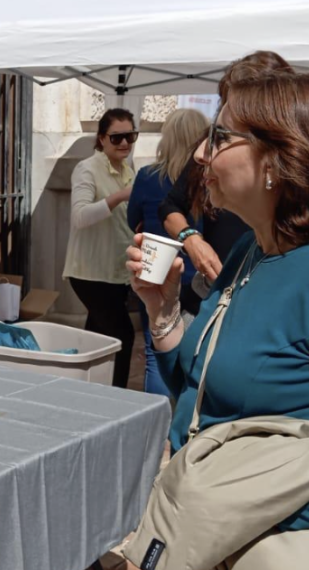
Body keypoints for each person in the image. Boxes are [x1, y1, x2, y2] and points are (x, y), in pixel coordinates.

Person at [125, 70, 309, 568]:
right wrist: (162, 306)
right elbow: (198, 388)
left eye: (220, 137)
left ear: (281, 157)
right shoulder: (252, 248)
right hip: (202, 522)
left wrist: (232, 517)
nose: (199, 155)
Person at [159, 51, 293, 291]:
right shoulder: (247, 246)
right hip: (216, 289)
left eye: (222, 138)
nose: (202, 155)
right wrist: (192, 240)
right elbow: (170, 206)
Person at [126, 109, 209, 397]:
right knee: (199, 349)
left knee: (154, 351)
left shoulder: (148, 176)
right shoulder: (208, 180)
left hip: (157, 271)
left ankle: (159, 428)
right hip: (200, 274)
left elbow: (131, 218)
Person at [62, 108, 138, 389]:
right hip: (90, 273)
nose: (125, 143)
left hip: (116, 272)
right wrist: (119, 197)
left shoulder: (128, 170)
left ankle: (85, 390)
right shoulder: (87, 168)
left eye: (130, 136)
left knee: (97, 337)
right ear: (102, 139)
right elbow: (79, 217)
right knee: (123, 335)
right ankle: (115, 398)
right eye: (117, 137)